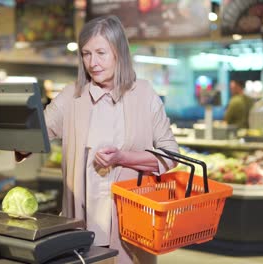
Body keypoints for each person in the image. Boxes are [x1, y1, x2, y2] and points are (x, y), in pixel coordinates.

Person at [40, 15, 179, 264]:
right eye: (86, 54)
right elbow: (35, 132)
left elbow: (170, 155)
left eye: (101, 53)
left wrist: (122, 158)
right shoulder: (71, 97)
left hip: (134, 228)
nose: (93, 63)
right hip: (80, 229)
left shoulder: (144, 94)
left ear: (119, 53)